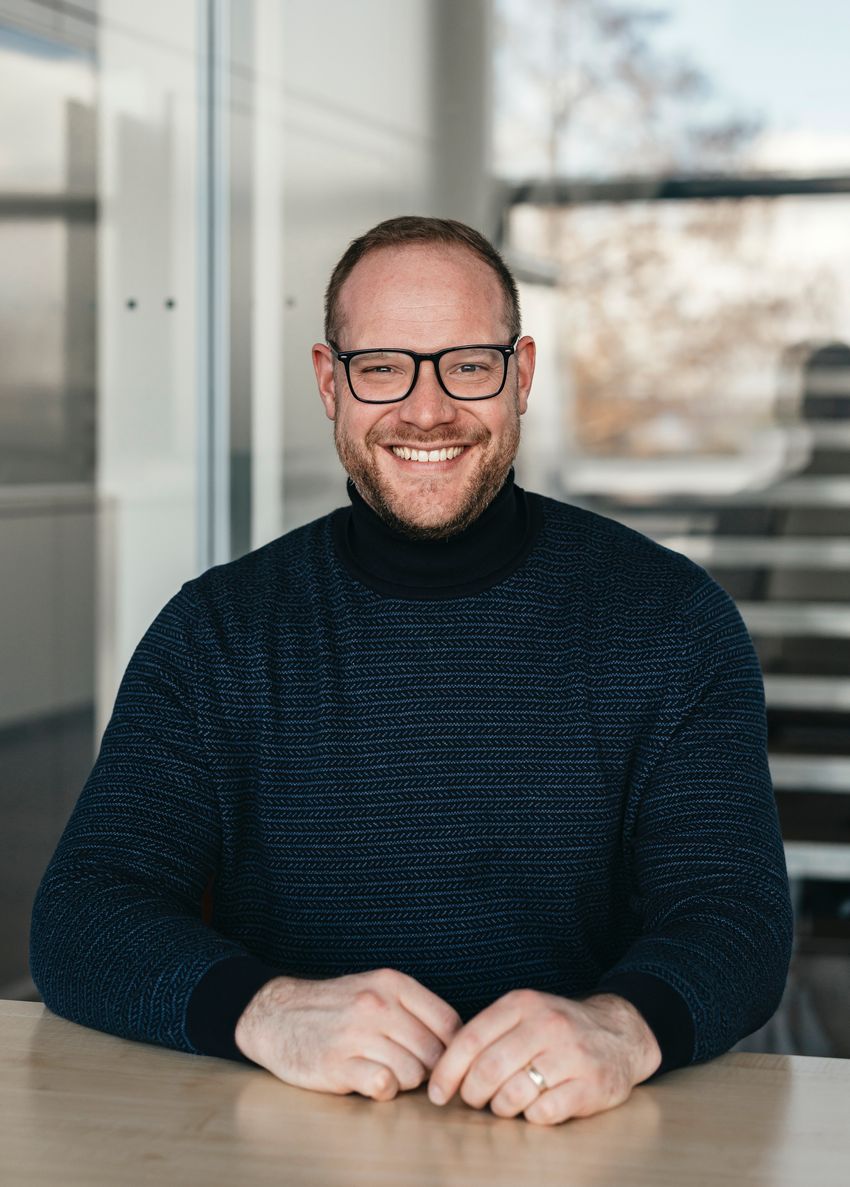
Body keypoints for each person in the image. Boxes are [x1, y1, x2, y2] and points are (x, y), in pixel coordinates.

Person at [30, 216, 793, 1127]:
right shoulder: (218, 633)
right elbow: (84, 912)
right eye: (383, 366)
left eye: (467, 364)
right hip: (288, 1136)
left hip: (580, 1132)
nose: (426, 409)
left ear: (521, 376)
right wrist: (263, 1010)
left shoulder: (671, 620)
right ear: (329, 383)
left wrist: (622, 1029)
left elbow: (735, 917)